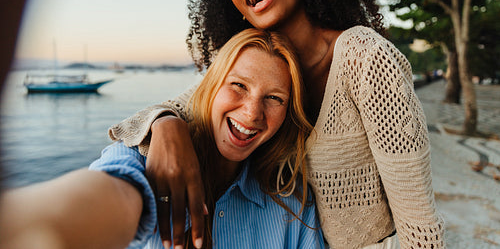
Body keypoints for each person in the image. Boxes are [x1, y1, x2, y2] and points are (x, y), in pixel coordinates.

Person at [110, 0, 445, 248]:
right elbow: (153, 118)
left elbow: (418, 215)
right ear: (239, 7)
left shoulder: (363, 55)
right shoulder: (253, 68)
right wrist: (168, 127)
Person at [0, 29, 324, 249]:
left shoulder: (293, 203)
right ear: (208, 88)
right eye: (238, 85)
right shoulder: (144, 159)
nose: (253, 113)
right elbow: (111, 194)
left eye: (275, 98)